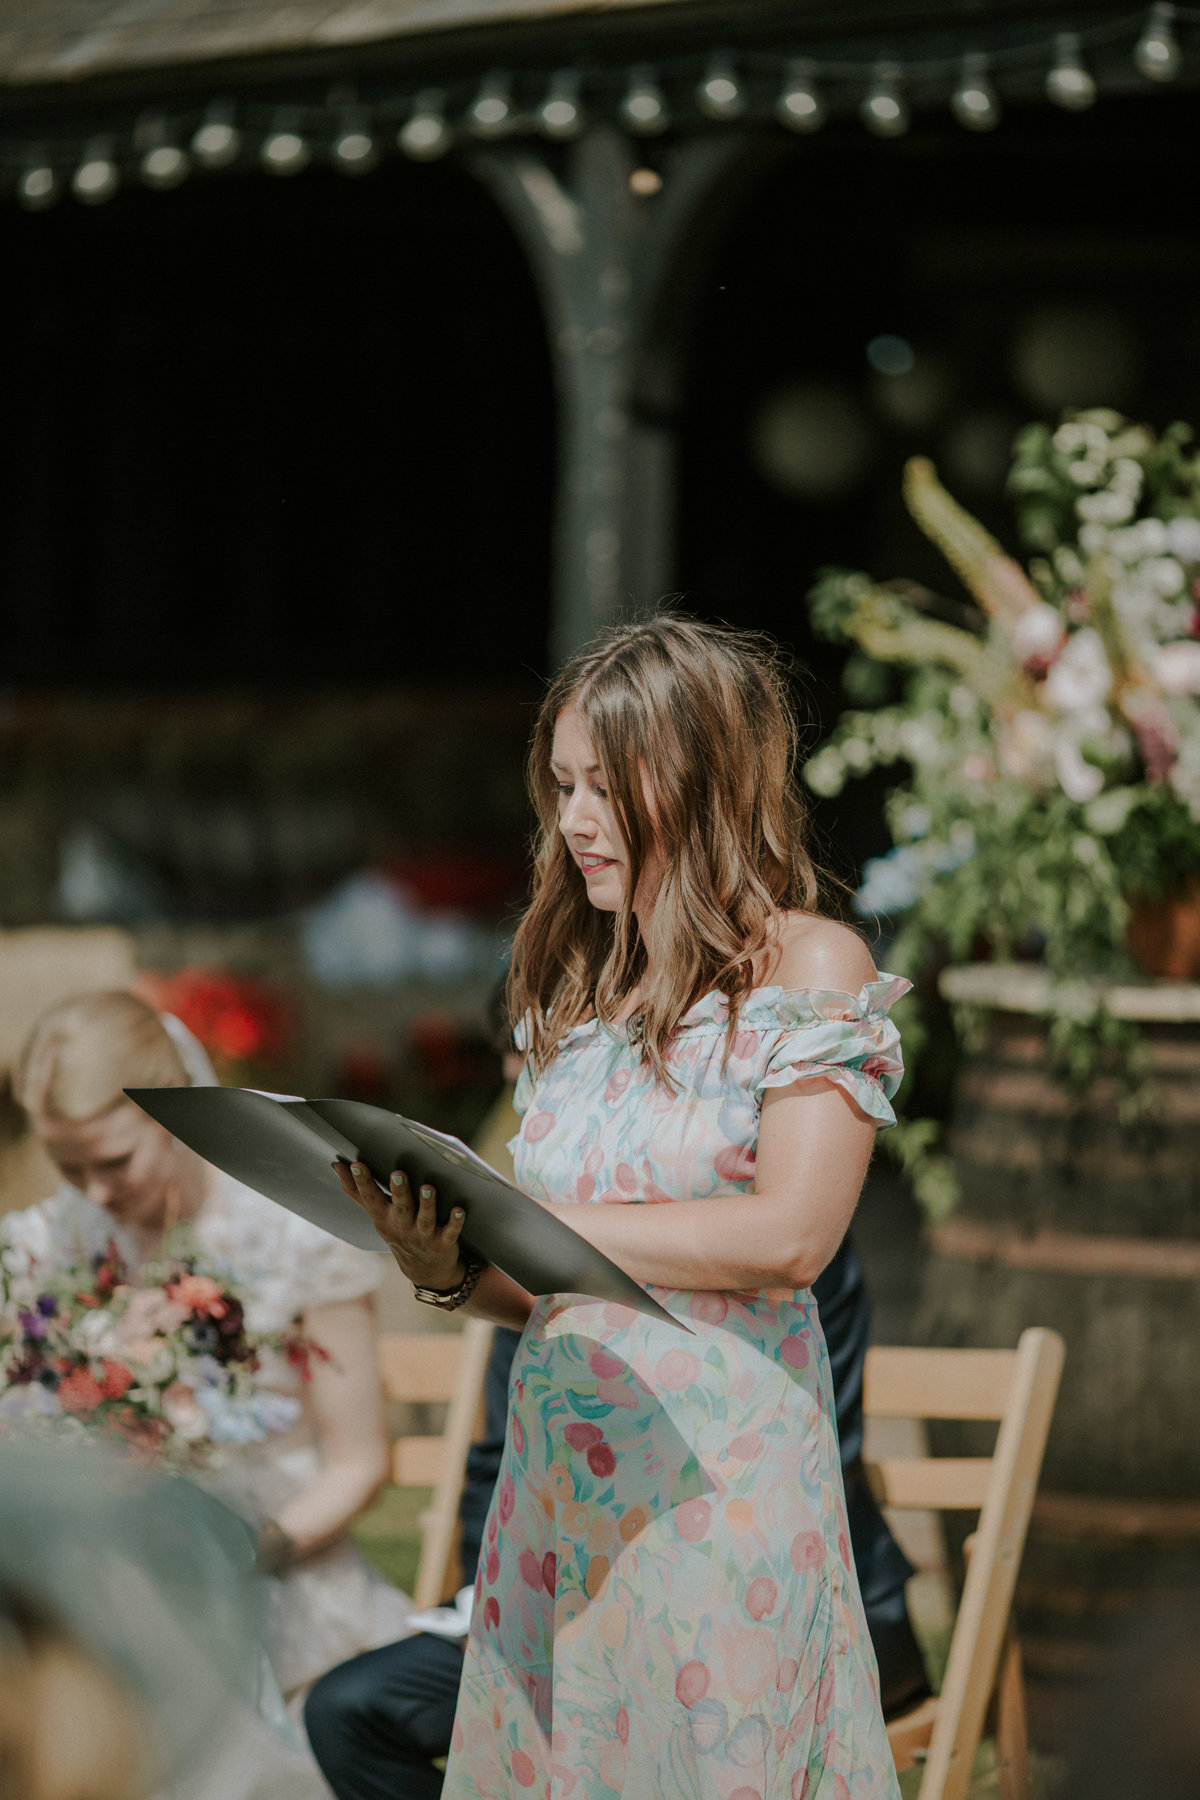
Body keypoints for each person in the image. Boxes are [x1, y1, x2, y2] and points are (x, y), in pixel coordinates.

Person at [337, 617, 910, 1799]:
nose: (576, 819)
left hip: (721, 1496)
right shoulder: (575, 990)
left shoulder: (811, 969)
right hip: (563, 1496)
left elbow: (789, 1237)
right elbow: (551, 1281)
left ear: (702, 781)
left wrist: (523, 1214)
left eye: (608, 784)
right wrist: (444, 1260)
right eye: (562, 784)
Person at [2, 990, 415, 1796]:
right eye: (66, 1165)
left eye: (114, 1162)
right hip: (106, 1588)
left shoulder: (296, 1235)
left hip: (277, 1571)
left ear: (174, 1118)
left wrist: (228, 1559)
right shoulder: (44, 1248)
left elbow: (358, 1464)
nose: (92, 1191)